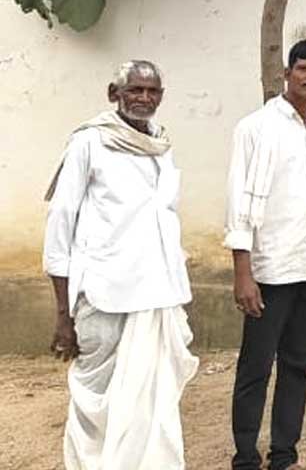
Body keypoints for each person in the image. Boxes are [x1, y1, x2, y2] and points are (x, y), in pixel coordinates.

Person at [44, 60, 199, 469]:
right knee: (95, 395)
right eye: (135, 90)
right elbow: (60, 223)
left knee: (153, 395)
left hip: (157, 293)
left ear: (161, 96)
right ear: (114, 94)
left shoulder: (161, 145)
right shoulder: (89, 143)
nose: (144, 98)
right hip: (104, 291)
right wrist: (63, 313)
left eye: (152, 91)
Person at [227, 39, 306, 470]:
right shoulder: (255, 128)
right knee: (256, 367)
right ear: (287, 73)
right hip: (271, 270)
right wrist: (243, 272)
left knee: (298, 365)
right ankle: (246, 456)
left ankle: (285, 453)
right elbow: (238, 204)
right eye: (304, 69)